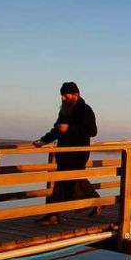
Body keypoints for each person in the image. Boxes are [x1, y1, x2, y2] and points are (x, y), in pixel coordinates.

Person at [32, 82, 101, 225]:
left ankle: (54, 214)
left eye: (66, 95)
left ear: (76, 95)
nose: (63, 98)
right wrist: (44, 140)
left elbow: (92, 131)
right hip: (64, 153)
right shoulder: (64, 110)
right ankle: (95, 203)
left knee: (70, 182)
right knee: (67, 182)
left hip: (78, 153)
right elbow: (57, 129)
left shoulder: (85, 109)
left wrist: (69, 128)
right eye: (62, 96)